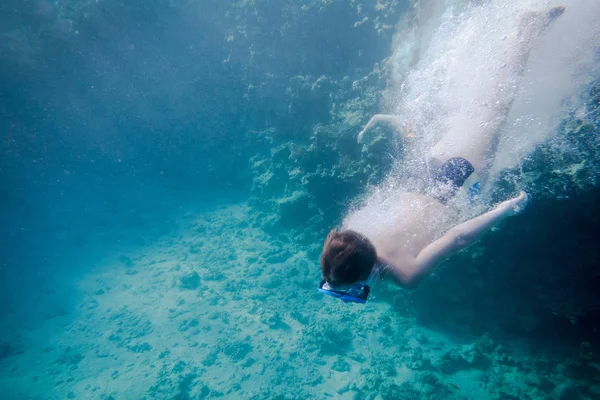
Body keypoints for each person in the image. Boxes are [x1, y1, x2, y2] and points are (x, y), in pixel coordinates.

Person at [318, 6, 565, 304]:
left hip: (454, 186)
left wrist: (506, 207)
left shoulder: (406, 274)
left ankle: (527, 29)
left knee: (495, 109)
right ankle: (491, 40)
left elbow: (457, 237)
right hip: (421, 172)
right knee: (471, 114)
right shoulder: (351, 227)